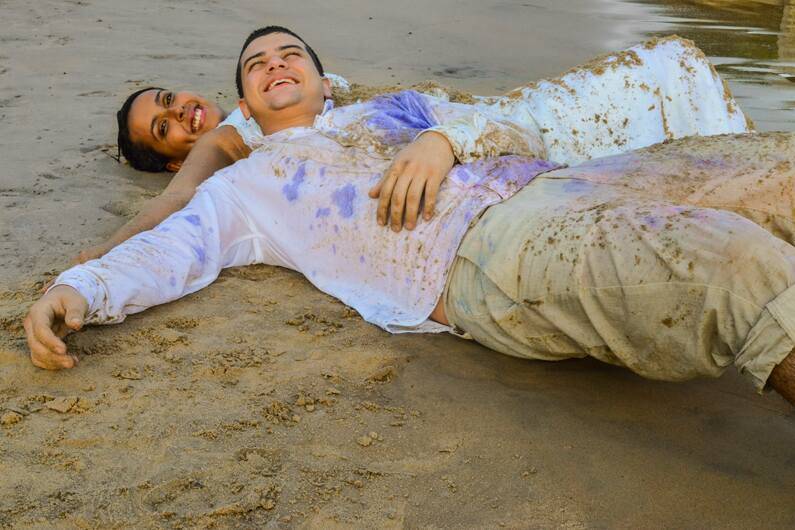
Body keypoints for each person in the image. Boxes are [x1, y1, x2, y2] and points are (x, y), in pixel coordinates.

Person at [24, 27, 794, 406]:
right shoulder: (251, 184)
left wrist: (440, 138)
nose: (274, 67)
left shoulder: (397, 107)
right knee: (731, 264)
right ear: (248, 104)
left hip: (570, 179)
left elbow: (512, 120)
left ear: (325, 82)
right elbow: (172, 242)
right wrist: (80, 288)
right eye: (256, 68)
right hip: (488, 247)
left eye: (288, 55)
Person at [73, 30, 750, 264]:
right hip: (446, 165)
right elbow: (182, 196)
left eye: (168, 100)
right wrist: (104, 252)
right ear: (169, 154)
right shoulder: (230, 136)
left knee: (661, 72)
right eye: (166, 129)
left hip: (452, 127)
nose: (181, 113)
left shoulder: (274, 86)